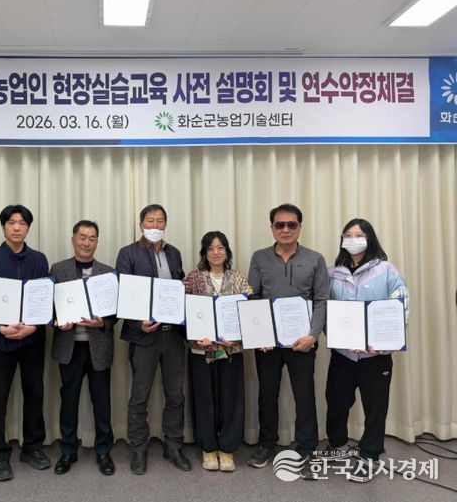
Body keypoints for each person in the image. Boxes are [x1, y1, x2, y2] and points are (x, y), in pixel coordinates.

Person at [246, 204, 328, 479]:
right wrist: (259, 335)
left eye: (291, 224)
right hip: (268, 344)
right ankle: (267, 443)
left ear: (299, 227)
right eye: (279, 224)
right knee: (267, 395)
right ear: (271, 228)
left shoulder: (315, 259)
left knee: (304, 396)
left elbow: (321, 300)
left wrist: (312, 336)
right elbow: (253, 297)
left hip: (302, 342)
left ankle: (307, 448)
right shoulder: (259, 258)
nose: (285, 229)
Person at [325, 218, 409, 483]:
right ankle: (337, 444)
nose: (353, 239)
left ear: (369, 238)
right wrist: (333, 335)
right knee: (336, 401)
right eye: (347, 235)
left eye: (358, 235)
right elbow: (324, 308)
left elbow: (401, 306)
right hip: (343, 355)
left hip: (375, 356)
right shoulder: (333, 272)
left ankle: (370, 455)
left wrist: (382, 344)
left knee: (375, 407)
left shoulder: (386, 270)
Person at [116, 204, 191, 475]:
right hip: (143, 336)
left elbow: (179, 287)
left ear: (165, 225)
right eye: (150, 221)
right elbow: (124, 293)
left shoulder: (174, 253)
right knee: (140, 395)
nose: (155, 226)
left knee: (175, 394)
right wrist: (138, 323)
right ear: (141, 225)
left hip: (172, 335)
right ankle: (138, 448)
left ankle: (174, 445)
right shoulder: (128, 253)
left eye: (160, 221)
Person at [0, 205, 50, 481]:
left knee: (35, 394)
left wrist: (33, 326)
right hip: (1, 341)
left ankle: (32, 447)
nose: (17, 227)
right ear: (3, 227)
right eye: (11, 222)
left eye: (22, 223)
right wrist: (0, 326)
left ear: (28, 227)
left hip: (33, 339)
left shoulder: (39, 260)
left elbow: (43, 297)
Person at [50, 220, 117, 476]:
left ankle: (103, 451)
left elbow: (116, 312)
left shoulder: (108, 272)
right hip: (69, 347)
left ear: (97, 242)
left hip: (98, 347)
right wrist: (57, 322)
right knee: (69, 400)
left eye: (92, 238)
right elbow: (50, 307)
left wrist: (103, 323)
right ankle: (68, 451)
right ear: (73, 239)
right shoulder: (58, 269)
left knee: (102, 402)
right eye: (82, 237)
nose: (87, 243)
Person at [183, 231, 252, 472]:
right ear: (204, 252)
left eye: (220, 247)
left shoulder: (238, 278)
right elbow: (183, 311)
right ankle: (209, 448)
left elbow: (249, 311)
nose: (215, 252)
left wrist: (237, 335)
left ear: (227, 251)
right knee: (204, 401)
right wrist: (194, 335)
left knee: (231, 400)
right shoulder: (193, 278)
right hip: (201, 352)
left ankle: (227, 449)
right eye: (210, 248)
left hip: (231, 351)